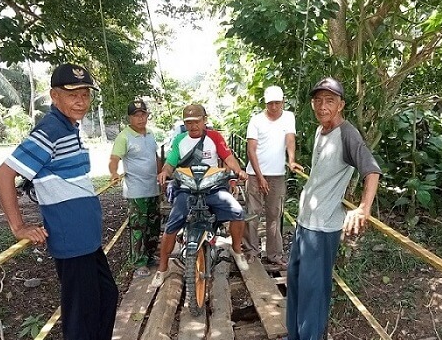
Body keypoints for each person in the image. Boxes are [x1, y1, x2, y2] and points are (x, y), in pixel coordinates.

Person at [0, 63, 126, 340]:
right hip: (70, 238)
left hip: (87, 237)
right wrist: (19, 226)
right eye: (72, 95)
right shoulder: (50, 129)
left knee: (106, 298)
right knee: (81, 312)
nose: (80, 101)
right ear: (54, 96)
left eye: (84, 94)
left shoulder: (70, 127)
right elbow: (3, 175)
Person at [274, 77, 381, 340]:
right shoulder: (322, 132)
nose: (323, 106)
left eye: (330, 100)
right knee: (295, 282)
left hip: (323, 228)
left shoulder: (348, 134)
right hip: (306, 221)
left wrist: (362, 208)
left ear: (341, 104)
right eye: (318, 100)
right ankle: (295, 338)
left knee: (313, 287)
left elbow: (371, 171)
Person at [151, 104, 248, 288]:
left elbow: (227, 157)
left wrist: (238, 170)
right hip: (187, 190)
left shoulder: (214, 137)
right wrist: (165, 172)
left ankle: (236, 249)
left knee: (237, 212)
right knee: (171, 225)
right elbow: (170, 162)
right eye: (188, 123)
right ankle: (162, 268)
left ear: (204, 120)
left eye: (197, 121)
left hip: (212, 189)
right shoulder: (179, 140)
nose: (193, 126)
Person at [243, 86, 302, 266]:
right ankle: (251, 250)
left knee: (274, 215)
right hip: (254, 174)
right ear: (265, 103)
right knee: (253, 214)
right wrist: (260, 177)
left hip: (277, 175)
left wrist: (291, 160)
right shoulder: (256, 120)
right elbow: (251, 149)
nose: (274, 107)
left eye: (277, 103)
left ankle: (274, 254)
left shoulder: (288, 117)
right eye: (270, 103)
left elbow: (290, 139)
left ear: (283, 102)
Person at [109, 98, 161, 278]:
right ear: (129, 118)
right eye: (136, 115)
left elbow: (155, 156)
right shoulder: (124, 136)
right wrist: (114, 173)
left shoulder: (151, 134)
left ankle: (150, 255)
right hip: (136, 191)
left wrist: (163, 173)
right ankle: (139, 262)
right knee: (139, 226)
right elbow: (114, 158)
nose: (140, 119)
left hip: (153, 187)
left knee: (154, 225)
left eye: (143, 114)